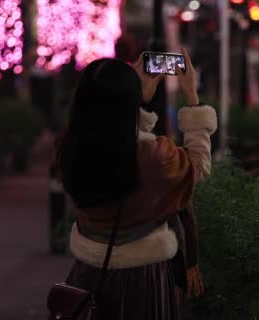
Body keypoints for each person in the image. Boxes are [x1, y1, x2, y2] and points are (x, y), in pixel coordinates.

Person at [56, 48, 217, 319]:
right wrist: (192, 100)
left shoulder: (69, 147)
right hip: (143, 280)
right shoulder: (154, 155)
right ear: (128, 101)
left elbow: (115, 137)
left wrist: (134, 102)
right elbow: (197, 167)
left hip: (87, 274)